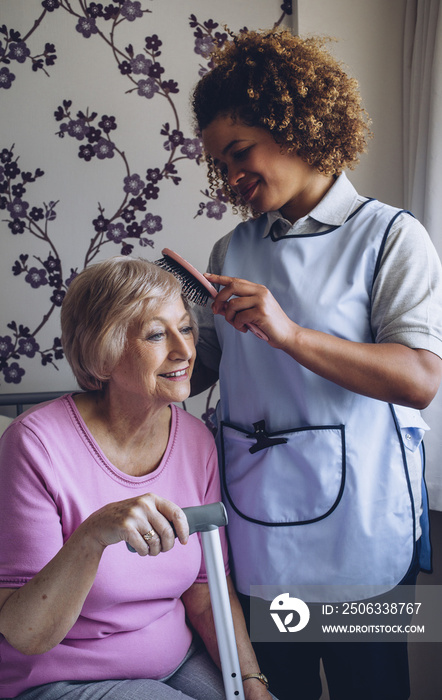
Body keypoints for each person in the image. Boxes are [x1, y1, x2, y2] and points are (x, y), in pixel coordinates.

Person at [190, 28, 442, 700]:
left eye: (240, 152)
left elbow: (419, 380)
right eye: (221, 164)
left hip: (363, 531)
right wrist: (142, 342)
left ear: (294, 124)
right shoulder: (230, 248)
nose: (232, 178)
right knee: (282, 691)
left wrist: (288, 332)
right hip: (265, 533)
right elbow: (200, 372)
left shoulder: (393, 236)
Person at [0, 257, 273, 700]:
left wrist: (251, 682)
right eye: (156, 335)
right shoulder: (34, 444)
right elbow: (26, 634)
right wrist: (95, 534)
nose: (184, 350)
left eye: (186, 328)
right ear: (105, 350)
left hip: (174, 663)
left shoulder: (197, 441)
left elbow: (204, 588)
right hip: (59, 678)